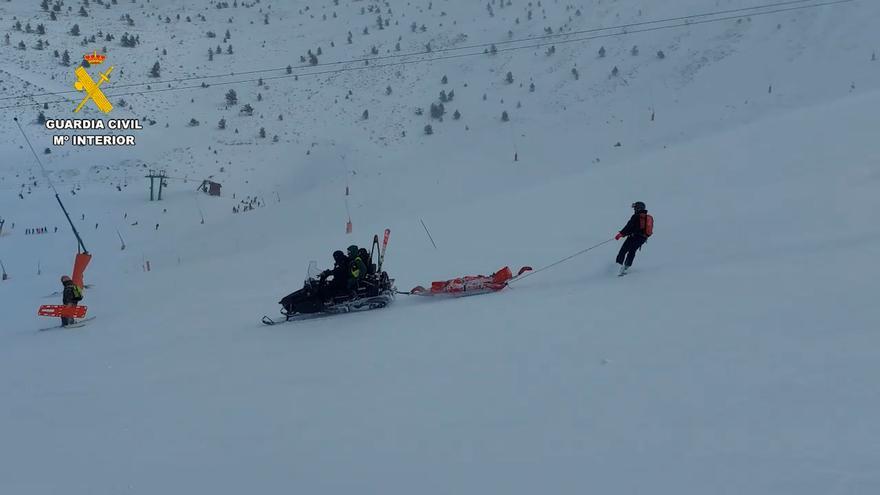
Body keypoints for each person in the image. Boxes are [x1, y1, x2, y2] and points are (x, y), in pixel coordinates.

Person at [614, 201, 653, 276]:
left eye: (635, 208)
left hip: (634, 236)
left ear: (638, 208)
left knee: (623, 251)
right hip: (642, 238)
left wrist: (621, 234)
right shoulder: (645, 217)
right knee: (632, 251)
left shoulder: (636, 216)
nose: (634, 209)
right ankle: (626, 267)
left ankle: (617, 267)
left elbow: (629, 226)